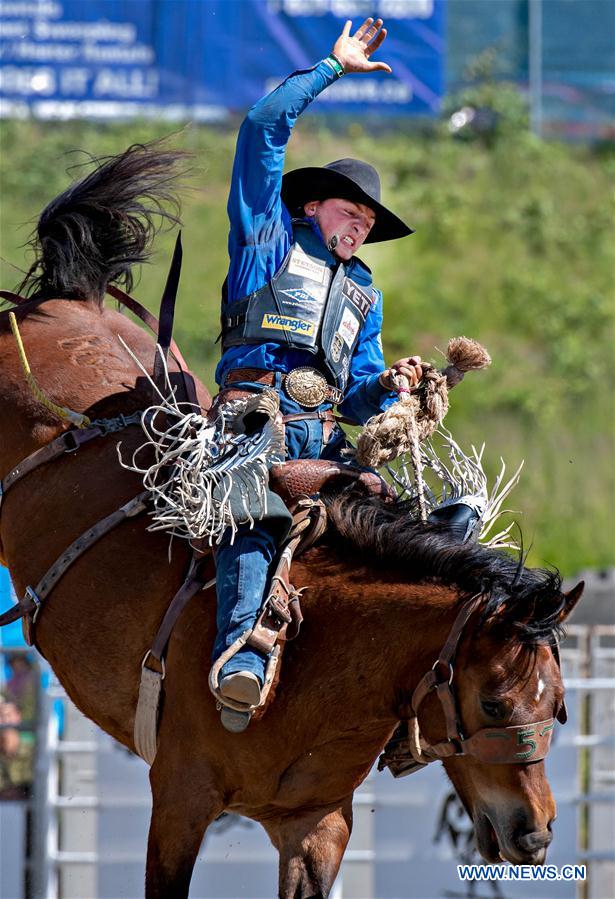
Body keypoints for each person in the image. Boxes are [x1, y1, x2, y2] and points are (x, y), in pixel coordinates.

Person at [211, 18, 470, 725]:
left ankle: (411, 693)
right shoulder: (263, 237)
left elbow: (355, 399)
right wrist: (331, 66)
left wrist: (387, 388)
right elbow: (261, 129)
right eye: (346, 211)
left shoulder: (364, 296)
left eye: (365, 220)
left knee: (406, 525)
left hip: (321, 438)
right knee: (253, 513)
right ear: (308, 206)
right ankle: (238, 655)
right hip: (252, 418)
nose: (357, 226)